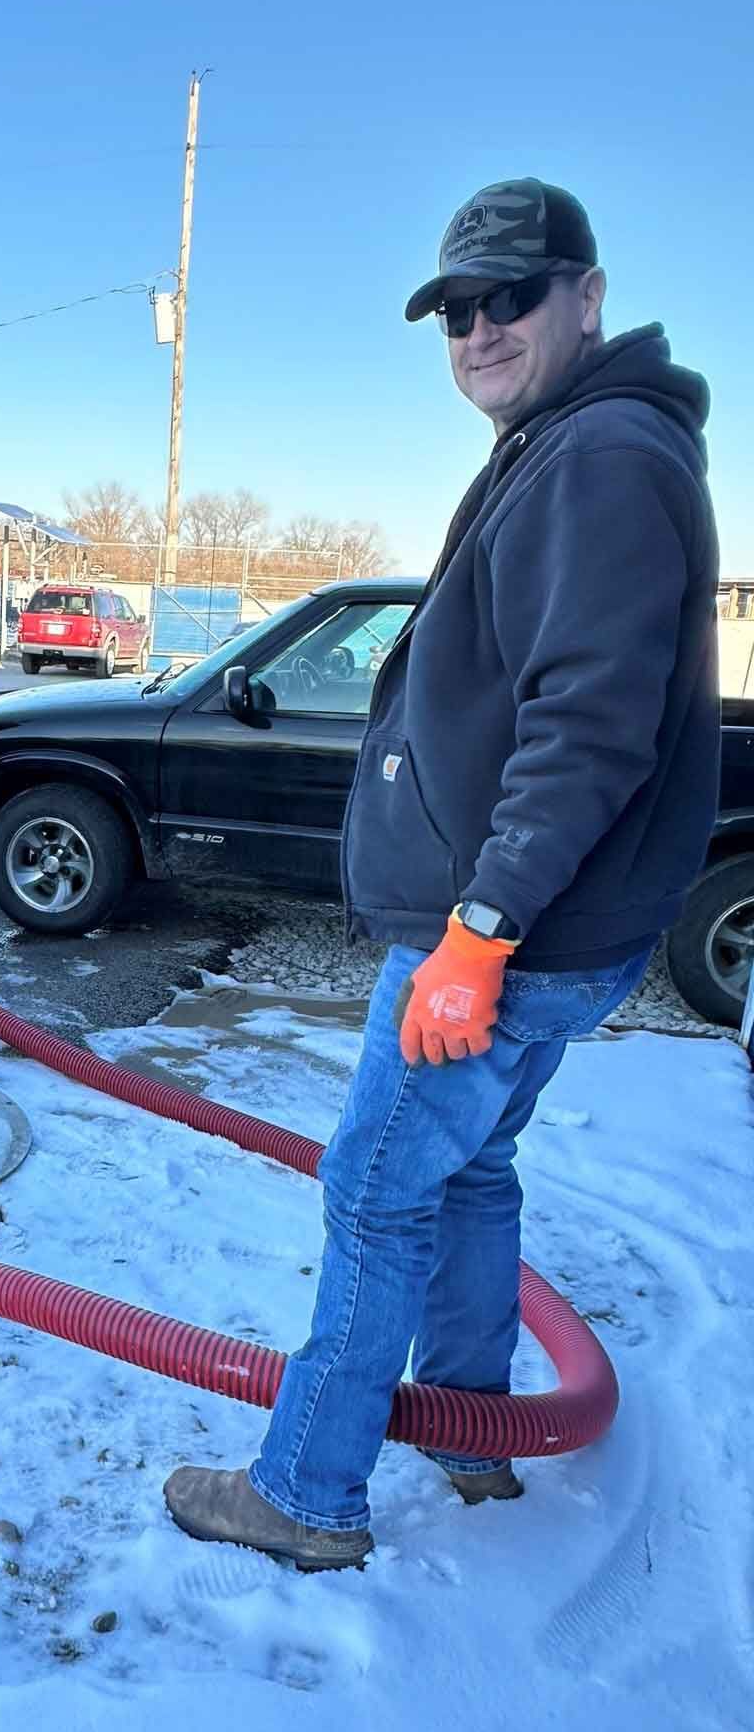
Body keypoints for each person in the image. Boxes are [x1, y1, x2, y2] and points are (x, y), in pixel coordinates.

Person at [164, 178, 721, 1570]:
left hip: (508, 941)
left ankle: (306, 1496)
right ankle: (474, 1431)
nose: (478, 329)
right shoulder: (568, 442)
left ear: (586, 298)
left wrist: (479, 933)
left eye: (510, 298)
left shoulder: (599, 456)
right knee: (467, 1175)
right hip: (539, 933)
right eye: (457, 309)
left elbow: (588, 724)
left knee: (376, 1186)